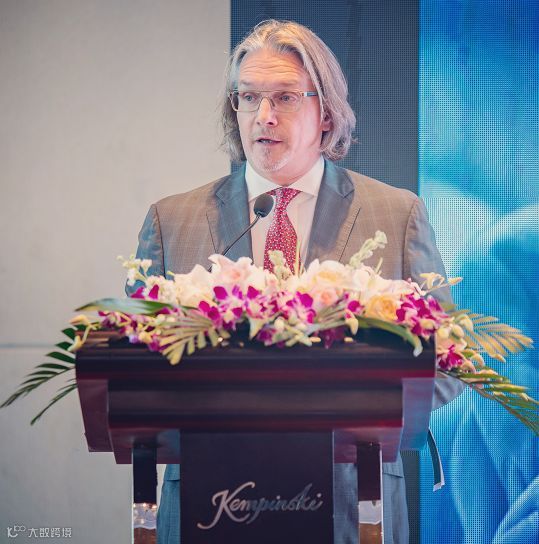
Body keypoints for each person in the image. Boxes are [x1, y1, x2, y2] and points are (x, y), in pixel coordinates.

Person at [131, 19, 464, 544]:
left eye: (285, 97)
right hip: (209, 500)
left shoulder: (397, 214)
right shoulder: (173, 221)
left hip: (354, 503)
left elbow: (448, 363)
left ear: (326, 112)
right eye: (248, 97)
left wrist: (349, 404)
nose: (263, 116)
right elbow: (133, 371)